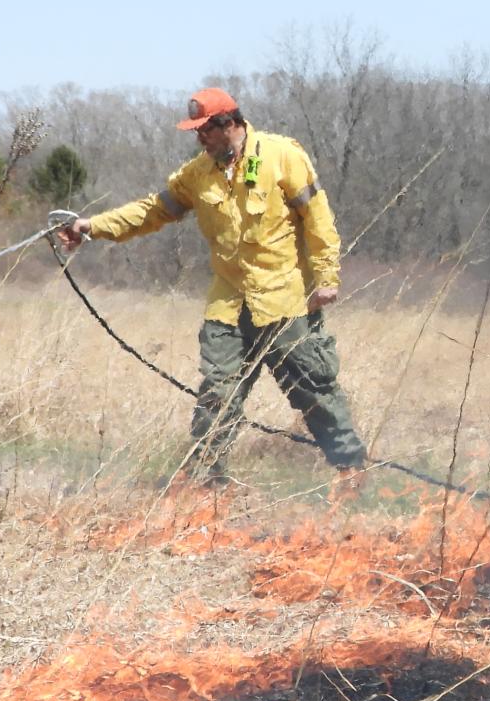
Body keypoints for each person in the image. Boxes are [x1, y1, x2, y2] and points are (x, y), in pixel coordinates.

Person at [57, 88, 366, 487]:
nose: (199, 138)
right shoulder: (197, 174)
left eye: (205, 130)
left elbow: (318, 218)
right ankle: (207, 483)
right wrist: (91, 227)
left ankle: (352, 472)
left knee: (312, 389)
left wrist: (326, 277)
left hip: (285, 299)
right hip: (228, 305)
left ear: (230, 124)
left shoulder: (282, 155)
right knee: (217, 393)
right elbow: (152, 210)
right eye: (196, 131)